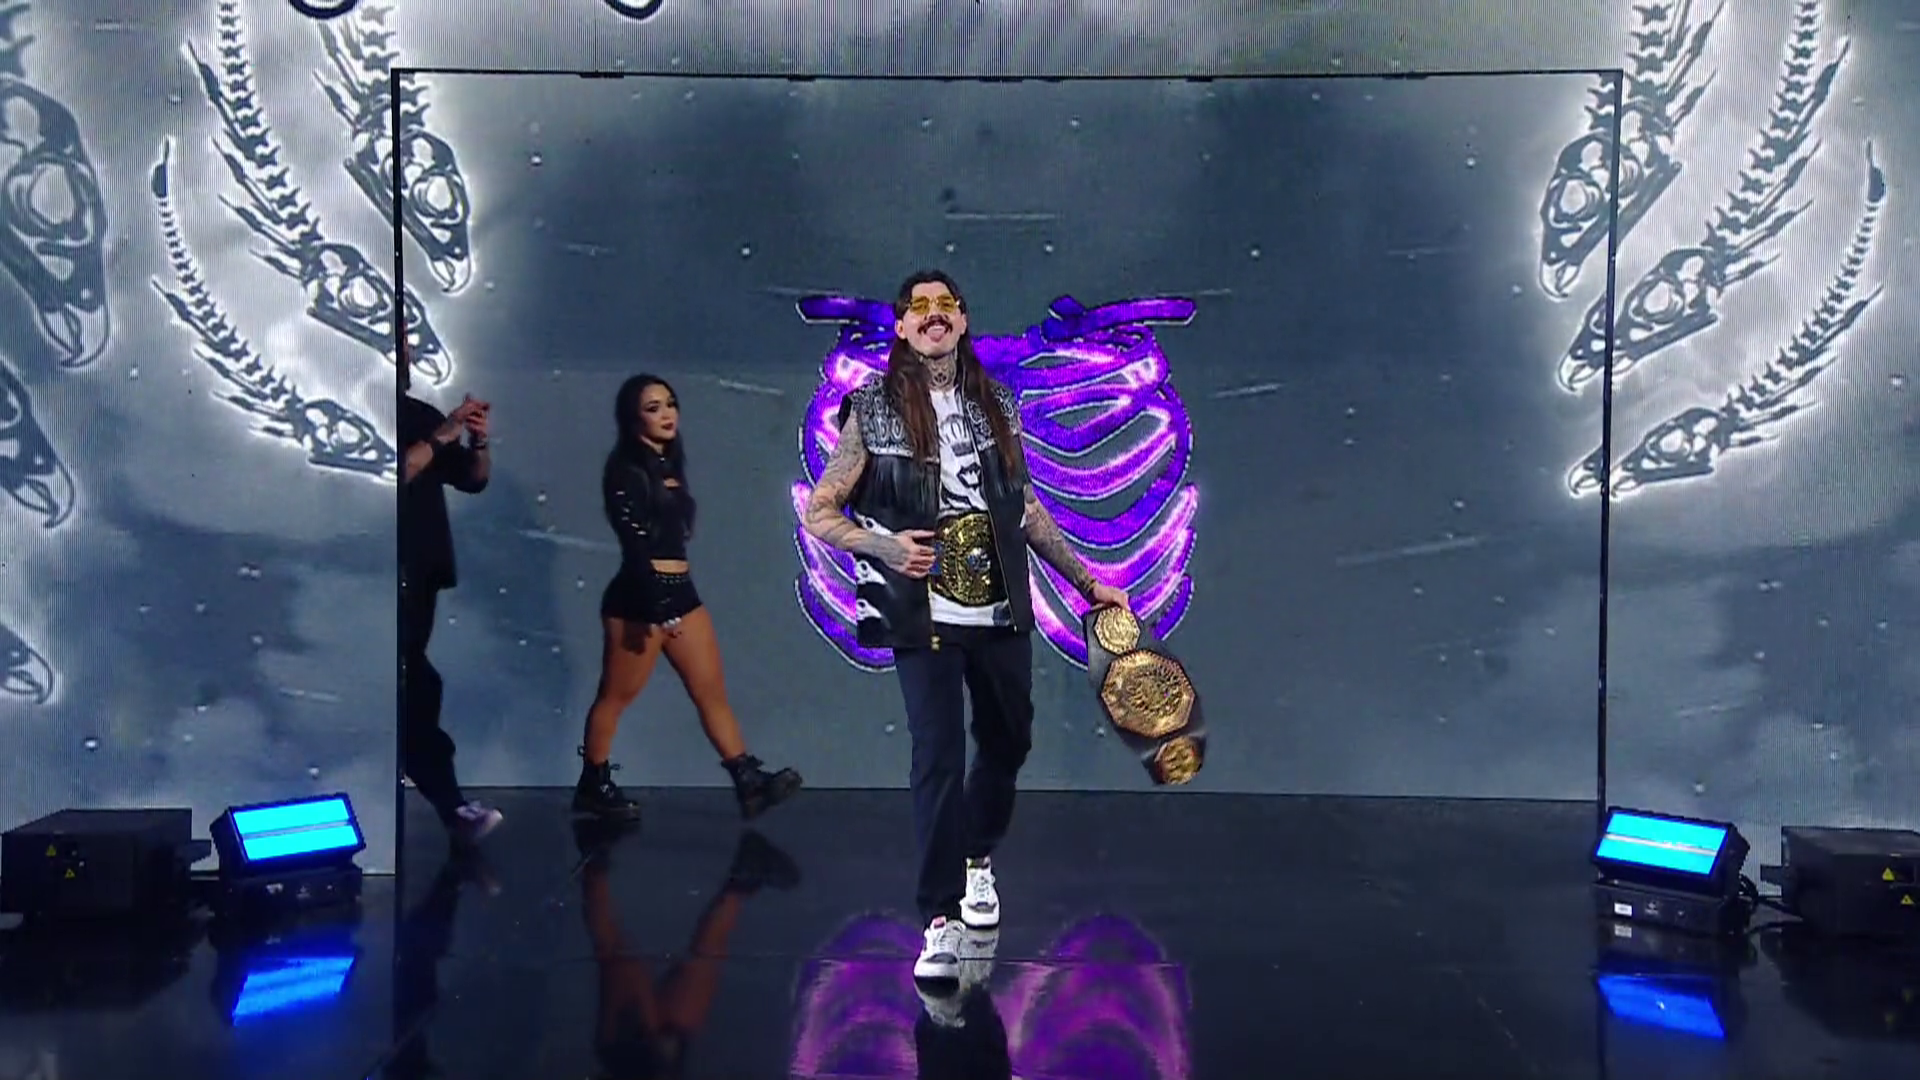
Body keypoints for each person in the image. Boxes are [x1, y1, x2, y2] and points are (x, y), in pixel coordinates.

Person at [802, 271, 1130, 980]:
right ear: (901, 326)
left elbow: (1027, 509)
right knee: (938, 755)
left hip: (999, 604)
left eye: (944, 305)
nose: (933, 315)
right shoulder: (874, 409)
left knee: (1009, 740)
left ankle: (977, 856)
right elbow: (819, 511)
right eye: (918, 307)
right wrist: (884, 546)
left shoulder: (996, 403)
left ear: (962, 320)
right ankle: (939, 921)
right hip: (922, 613)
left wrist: (1087, 583)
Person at [574, 374, 804, 821]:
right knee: (616, 696)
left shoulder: (668, 464)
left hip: (682, 592)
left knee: (710, 691)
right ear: (633, 418)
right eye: (653, 408)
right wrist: (654, 602)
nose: (666, 414)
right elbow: (634, 542)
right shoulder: (624, 468)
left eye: (670, 404)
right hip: (638, 599)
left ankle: (748, 781)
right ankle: (593, 784)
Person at [399, 357, 503, 846]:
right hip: (374, 571)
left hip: (419, 572)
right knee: (415, 684)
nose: (402, 353)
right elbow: (395, 473)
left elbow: (473, 479)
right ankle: (451, 805)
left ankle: (452, 806)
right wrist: (443, 434)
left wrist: (478, 441)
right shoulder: (359, 409)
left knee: (416, 682)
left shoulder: (418, 412)